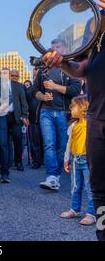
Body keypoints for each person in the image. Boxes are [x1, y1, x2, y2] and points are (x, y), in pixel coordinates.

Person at [42, 0, 105, 241]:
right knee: (101, 192)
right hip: (97, 118)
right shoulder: (96, 26)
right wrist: (61, 63)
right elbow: (82, 69)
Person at [32, 41, 81, 191]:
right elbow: (34, 90)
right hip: (45, 111)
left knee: (61, 147)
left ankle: (57, 175)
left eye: (58, 48)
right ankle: (51, 176)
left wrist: (55, 87)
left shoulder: (71, 68)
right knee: (49, 144)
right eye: (53, 48)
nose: (54, 51)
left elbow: (76, 89)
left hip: (63, 112)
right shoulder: (44, 69)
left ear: (65, 50)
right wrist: (42, 96)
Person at [60, 95, 96, 226]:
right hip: (75, 159)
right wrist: (66, 159)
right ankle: (75, 209)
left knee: (90, 188)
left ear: (83, 108)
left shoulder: (92, 124)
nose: (70, 108)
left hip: (89, 161)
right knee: (75, 186)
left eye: (73, 106)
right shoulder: (73, 125)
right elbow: (69, 144)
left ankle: (92, 213)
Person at [6, 69, 29, 171]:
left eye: (16, 76)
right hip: (4, 116)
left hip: (17, 117)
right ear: (9, 76)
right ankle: (7, 161)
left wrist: (24, 115)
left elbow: (24, 102)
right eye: (12, 75)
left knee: (18, 140)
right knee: (5, 141)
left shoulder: (20, 86)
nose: (14, 77)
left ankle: (18, 161)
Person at [26, 68, 44, 169]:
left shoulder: (45, 89)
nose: (35, 78)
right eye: (34, 76)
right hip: (33, 119)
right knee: (35, 142)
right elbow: (25, 104)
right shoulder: (29, 90)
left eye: (37, 76)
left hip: (45, 118)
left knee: (45, 141)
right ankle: (36, 161)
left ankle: (43, 160)